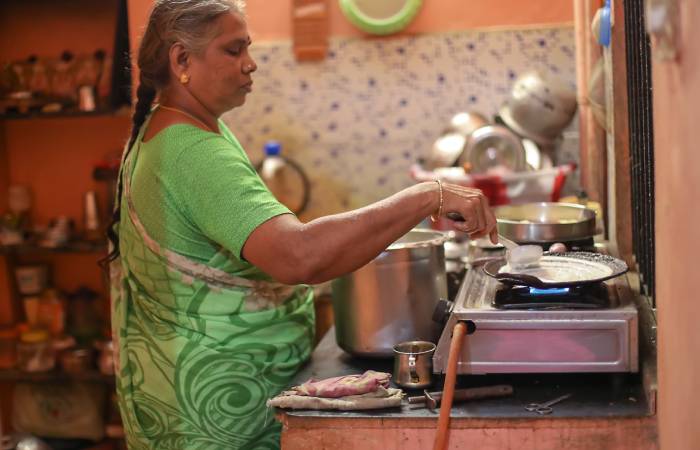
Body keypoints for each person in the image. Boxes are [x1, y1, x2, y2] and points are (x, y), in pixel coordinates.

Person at [106, 1, 498, 448]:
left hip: (179, 396)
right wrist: (428, 195)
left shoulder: (162, 132)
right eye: (233, 51)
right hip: (217, 416)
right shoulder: (190, 150)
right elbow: (299, 256)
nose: (250, 64)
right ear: (181, 61)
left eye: (247, 48)